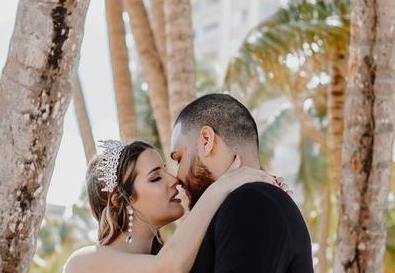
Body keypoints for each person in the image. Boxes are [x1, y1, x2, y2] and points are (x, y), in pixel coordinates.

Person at [64, 139, 278, 273]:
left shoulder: (177, 259)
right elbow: (167, 267)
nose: (174, 180)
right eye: (156, 177)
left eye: (165, 170)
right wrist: (226, 183)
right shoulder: (83, 264)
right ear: (120, 201)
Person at [169, 93, 314, 272]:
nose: (177, 176)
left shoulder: (250, 202)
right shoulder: (255, 201)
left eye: (179, 158)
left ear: (206, 140)